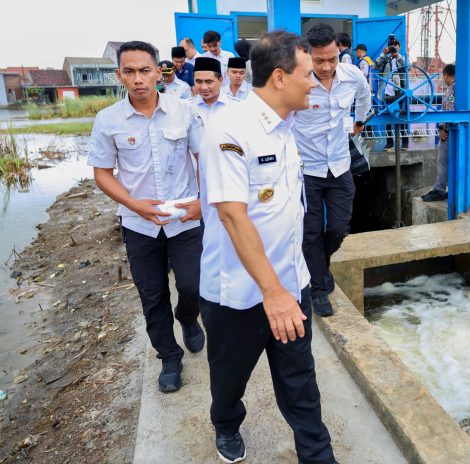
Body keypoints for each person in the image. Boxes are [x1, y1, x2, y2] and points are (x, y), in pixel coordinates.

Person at [198, 30, 337, 464]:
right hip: (238, 294)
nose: (314, 82)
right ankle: (226, 424)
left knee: (301, 383)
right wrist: (271, 293)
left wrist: (286, 289)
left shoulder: (286, 127)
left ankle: (318, 456)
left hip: (290, 283)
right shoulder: (228, 129)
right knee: (230, 379)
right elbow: (232, 216)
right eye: (307, 74)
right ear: (279, 77)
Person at [88, 41, 204, 394]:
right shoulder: (108, 120)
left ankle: (188, 317)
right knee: (152, 295)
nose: (138, 79)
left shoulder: (184, 111)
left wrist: (203, 202)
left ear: (158, 72)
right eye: (130, 71)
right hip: (139, 225)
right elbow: (102, 173)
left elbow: (205, 158)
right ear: (119, 75)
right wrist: (134, 205)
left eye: (144, 70)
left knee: (192, 285)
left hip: (184, 218)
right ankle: (169, 357)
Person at [293, 23, 370, 317]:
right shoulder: (298, 80)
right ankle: (319, 288)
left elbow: (364, 96)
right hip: (307, 170)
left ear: (339, 50)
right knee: (310, 231)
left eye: (332, 59)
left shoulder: (352, 75)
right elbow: (282, 116)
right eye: (319, 60)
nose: (326, 67)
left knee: (338, 228)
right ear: (308, 55)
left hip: (339, 165)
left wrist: (359, 122)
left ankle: (320, 268)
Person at [422, 63, 455, 202]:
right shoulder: (454, 88)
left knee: (442, 160)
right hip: (452, 130)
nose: (444, 79)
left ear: (446, 75)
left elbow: (449, 110)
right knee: (448, 161)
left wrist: (442, 129)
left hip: (449, 132)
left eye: (444, 76)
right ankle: (444, 189)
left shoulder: (453, 89)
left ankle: (439, 190)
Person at [375, 39, 408, 151]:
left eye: (395, 45)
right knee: (387, 117)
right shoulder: (385, 59)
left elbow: (407, 67)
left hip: (401, 91)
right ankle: (389, 143)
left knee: (402, 116)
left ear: (399, 47)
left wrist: (397, 56)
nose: (394, 48)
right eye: (391, 46)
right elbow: (375, 66)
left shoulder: (402, 58)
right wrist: (383, 54)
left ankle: (405, 143)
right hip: (387, 91)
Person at [188, 57, 236, 124]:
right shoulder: (186, 106)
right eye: (199, 82)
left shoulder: (235, 106)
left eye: (208, 82)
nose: (204, 87)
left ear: (220, 80)